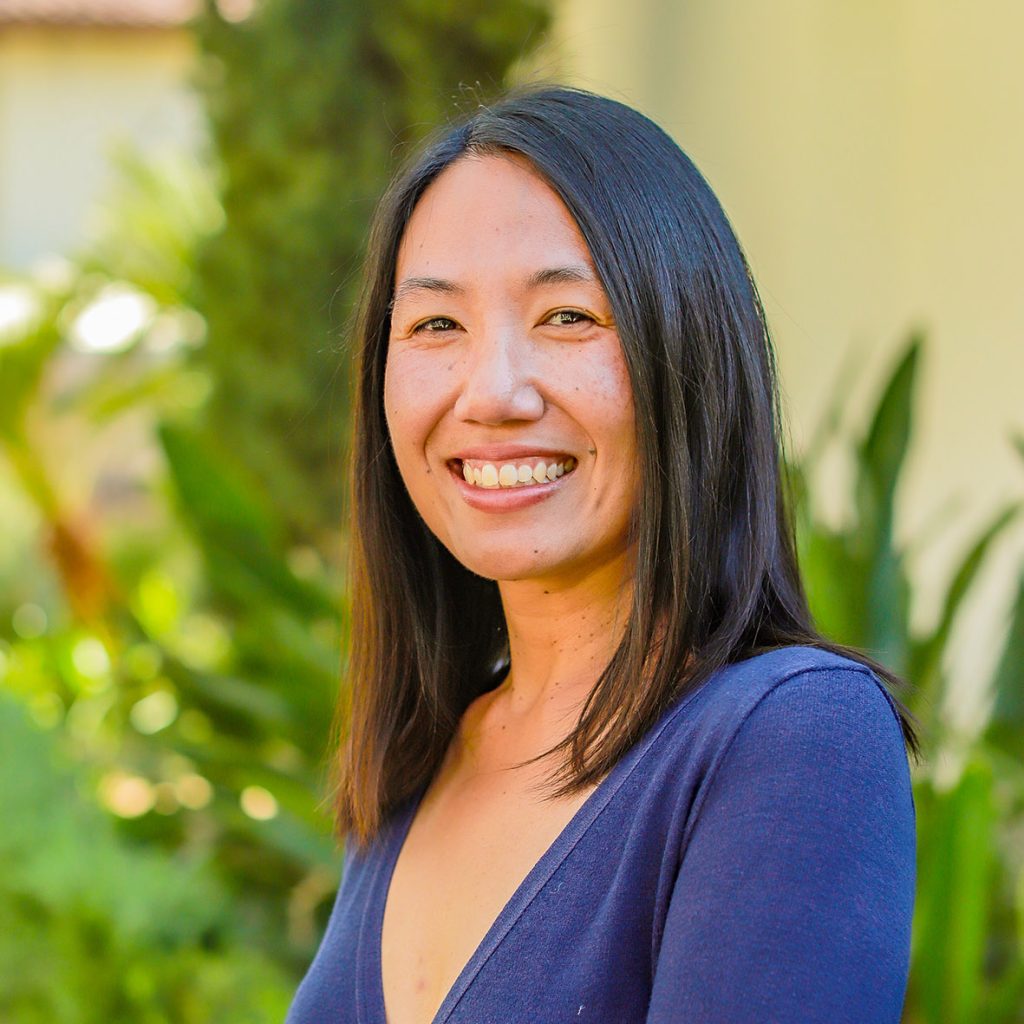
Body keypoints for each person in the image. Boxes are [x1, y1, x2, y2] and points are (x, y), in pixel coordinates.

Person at [285, 85, 920, 1024]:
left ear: (690, 352)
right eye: (435, 325)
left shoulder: (793, 739)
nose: (492, 393)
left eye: (568, 317)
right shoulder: (422, 762)